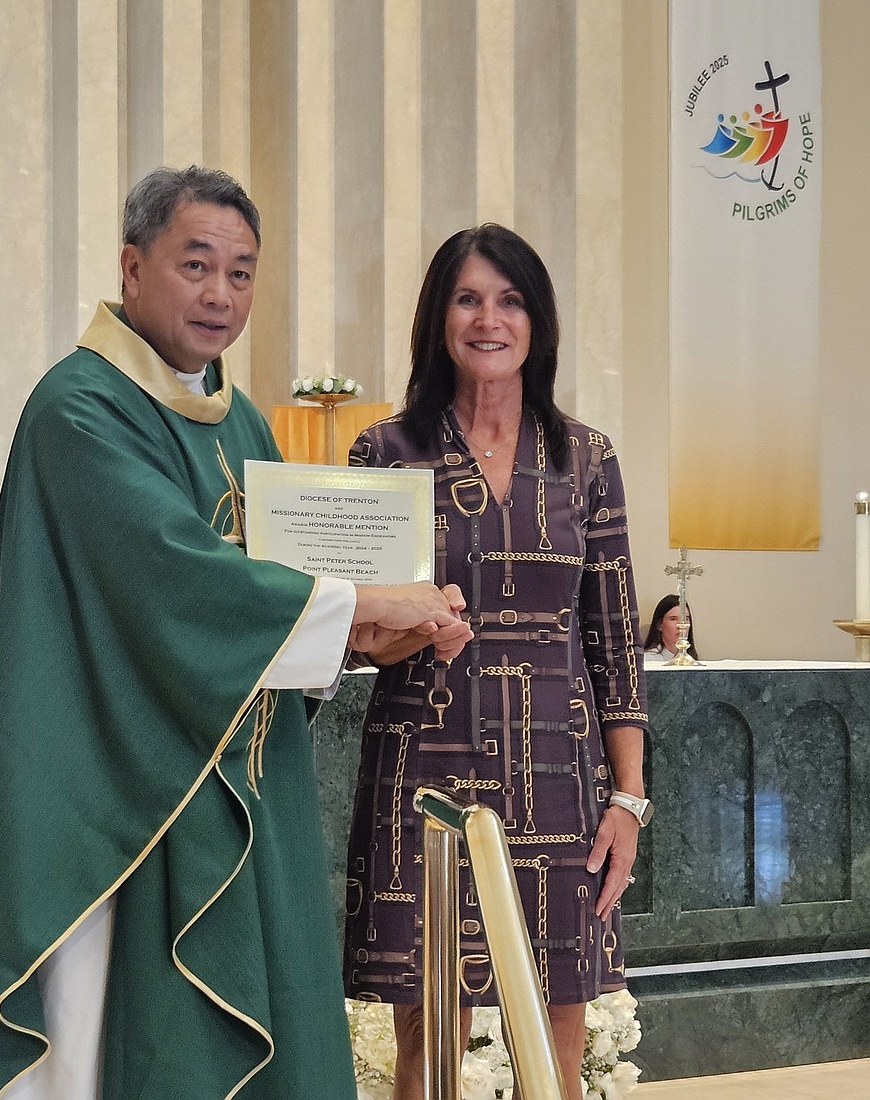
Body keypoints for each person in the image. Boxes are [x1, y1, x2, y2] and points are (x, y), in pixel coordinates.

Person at [0, 165, 473, 1100]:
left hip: (231, 783)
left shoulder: (239, 417)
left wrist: (359, 640)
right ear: (133, 268)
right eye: (197, 264)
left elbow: (279, 593)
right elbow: (178, 578)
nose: (221, 295)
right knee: (100, 1043)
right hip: (110, 794)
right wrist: (366, 603)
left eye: (243, 273)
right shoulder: (78, 411)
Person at [342, 224, 650, 1100]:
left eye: (510, 299)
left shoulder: (586, 460)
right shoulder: (386, 453)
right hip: (425, 761)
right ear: (439, 316)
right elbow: (361, 638)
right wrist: (417, 625)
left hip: (559, 765)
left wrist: (627, 799)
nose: (489, 318)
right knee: (428, 1038)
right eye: (468, 298)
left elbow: (615, 644)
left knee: (556, 1025)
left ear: (537, 321)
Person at [643, 593, 699, 662]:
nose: (681, 625)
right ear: (660, 624)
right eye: (673, 619)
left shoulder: (691, 659)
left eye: (686, 619)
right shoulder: (648, 660)